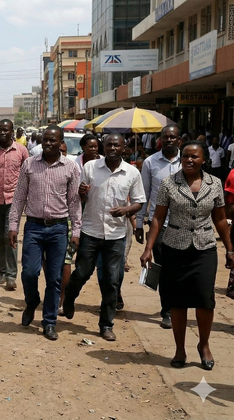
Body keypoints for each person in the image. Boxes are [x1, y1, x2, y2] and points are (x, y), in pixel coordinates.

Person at [140, 140, 234, 370]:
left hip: (204, 248)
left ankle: (203, 345)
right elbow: (158, 218)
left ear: (204, 160)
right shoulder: (169, 183)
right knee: (178, 302)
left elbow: (220, 219)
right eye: (185, 157)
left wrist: (230, 248)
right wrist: (148, 247)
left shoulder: (214, 183)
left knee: (205, 300)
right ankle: (180, 349)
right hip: (174, 247)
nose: (189, 160)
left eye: (194, 157)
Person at [62, 134, 146, 341]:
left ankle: (106, 324)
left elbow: (139, 202)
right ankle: (70, 298)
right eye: (108, 144)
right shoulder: (90, 168)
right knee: (82, 272)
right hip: (91, 231)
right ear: (103, 146)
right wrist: (82, 192)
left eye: (116, 145)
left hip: (116, 235)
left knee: (111, 281)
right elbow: (78, 197)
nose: (112, 148)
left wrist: (126, 209)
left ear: (123, 148)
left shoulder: (132, 173)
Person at [8, 126, 81, 340]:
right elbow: (19, 197)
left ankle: (49, 322)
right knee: (29, 273)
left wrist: (76, 231)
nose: (49, 144)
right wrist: (13, 226)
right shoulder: (29, 164)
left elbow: (74, 203)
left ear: (61, 142)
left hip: (59, 228)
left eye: (53, 141)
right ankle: (31, 302)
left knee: (55, 278)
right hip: (34, 227)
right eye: (45, 140)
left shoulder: (70, 168)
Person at [134, 124, 182, 329]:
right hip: (159, 225)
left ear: (179, 139)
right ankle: (167, 311)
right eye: (166, 137)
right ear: (160, 140)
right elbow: (143, 194)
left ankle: (180, 305)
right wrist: (138, 222)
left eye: (173, 137)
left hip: (184, 225)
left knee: (181, 270)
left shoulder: (188, 160)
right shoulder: (150, 162)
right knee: (165, 269)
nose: (169, 140)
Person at [0, 119, 29, 291]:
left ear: (12, 131)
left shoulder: (22, 151)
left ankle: (11, 276)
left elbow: (28, 175)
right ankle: (2, 271)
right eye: (0, 130)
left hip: (14, 201)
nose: (2, 133)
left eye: (6, 130)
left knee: (11, 236)